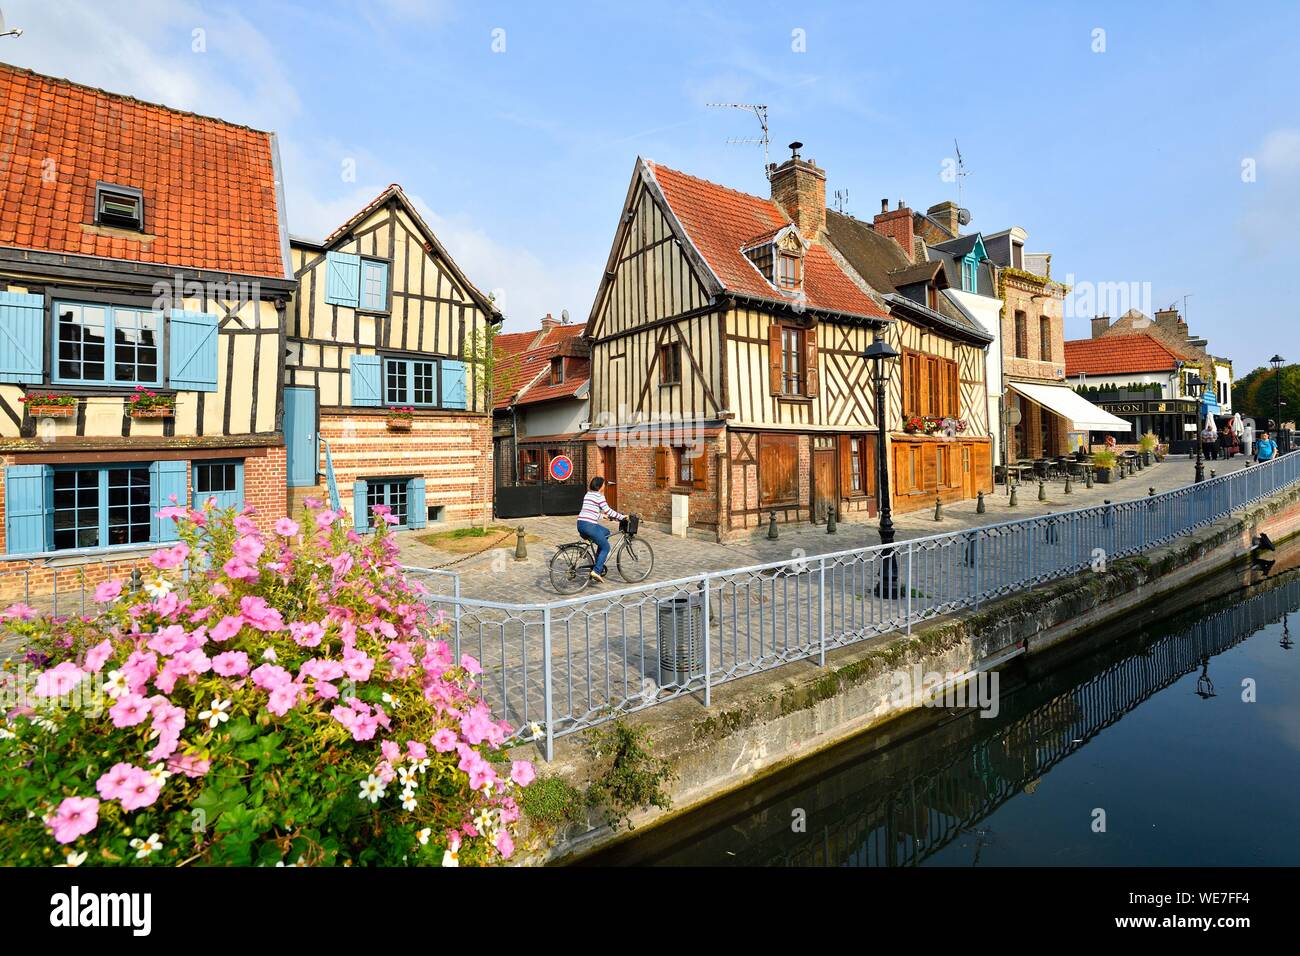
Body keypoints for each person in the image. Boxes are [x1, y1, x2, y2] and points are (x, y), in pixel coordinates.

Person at [577, 476, 625, 583]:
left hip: (580, 524)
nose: (604, 486)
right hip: (590, 526)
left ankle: (599, 559)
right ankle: (597, 571)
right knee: (606, 548)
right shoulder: (599, 497)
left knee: (606, 532)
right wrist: (622, 517)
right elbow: (608, 511)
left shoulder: (587, 495)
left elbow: (590, 512)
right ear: (600, 486)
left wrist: (603, 517)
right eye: (603, 484)